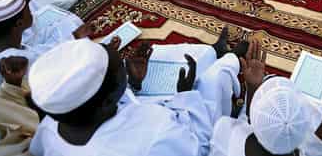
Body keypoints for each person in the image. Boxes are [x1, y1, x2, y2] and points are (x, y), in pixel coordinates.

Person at [27, 37, 243, 156]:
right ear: (109, 99)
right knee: (214, 78)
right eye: (120, 67)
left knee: (163, 53)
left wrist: (133, 83)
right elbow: (200, 147)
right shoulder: (157, 133)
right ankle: (232, 58)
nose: (125, 63)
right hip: (186, 124)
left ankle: (215, 51)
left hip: (142, 105)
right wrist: (186, 96)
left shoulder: (49, 127)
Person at [209, 43, 322, 156]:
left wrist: (253, 88)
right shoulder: (302, 148)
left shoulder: (223, 131)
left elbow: (247, 123)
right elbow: (312, 151)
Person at [0, 0, 87, 88]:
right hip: (32, 93)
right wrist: (75, 36)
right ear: (19, 23)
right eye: (29, 12)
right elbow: (49, 57)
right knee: (73, 27)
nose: (32, 14)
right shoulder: (17, 60)